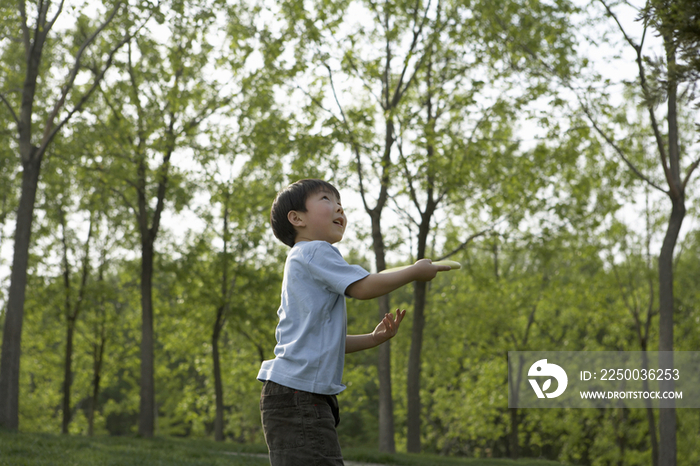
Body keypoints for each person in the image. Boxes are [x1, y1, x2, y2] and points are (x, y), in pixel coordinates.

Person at [257, 179, 449, 465]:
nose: (339, 207)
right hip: (301, 396)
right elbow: (362, 287)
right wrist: (414, 272)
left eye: (340, 203)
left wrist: (372, 339)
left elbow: (320, 341)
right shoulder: (314, 251)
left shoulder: (300, 260)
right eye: (326, 199)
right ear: (297, 219)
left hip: (291, 393)